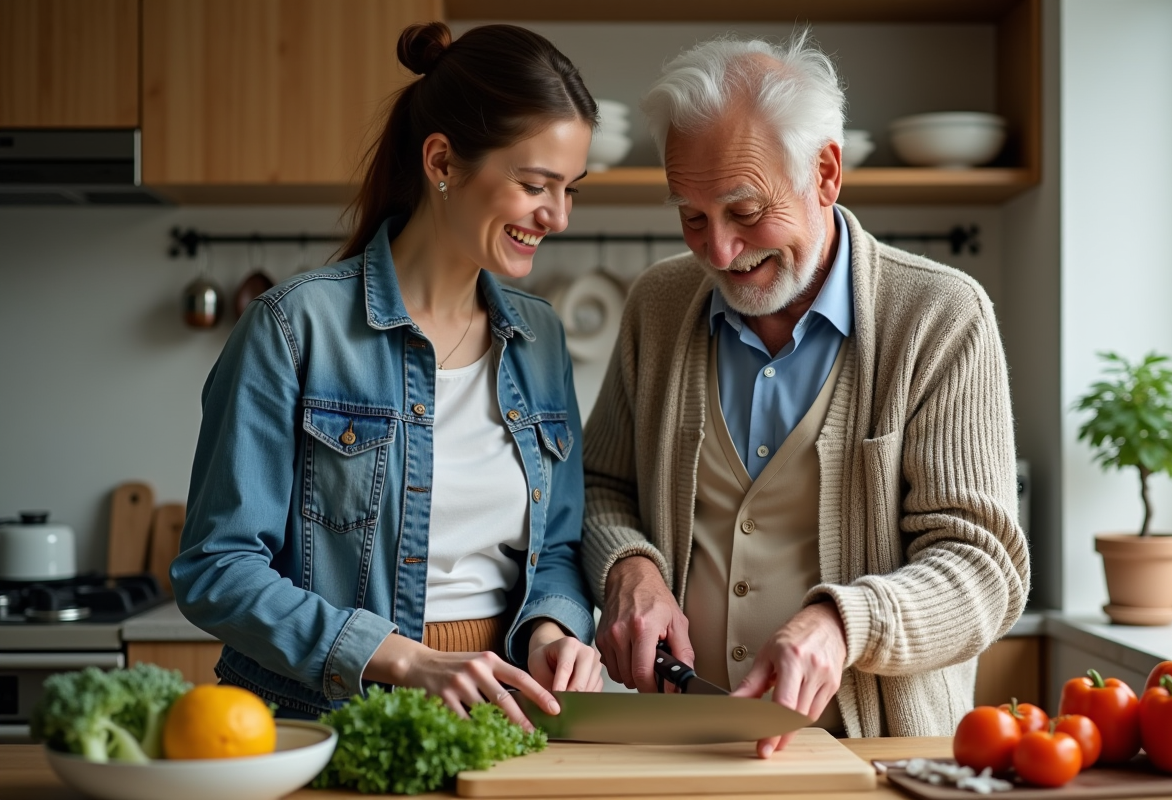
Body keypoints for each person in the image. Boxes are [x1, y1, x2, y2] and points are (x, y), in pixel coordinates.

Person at [582, 32, 1031, 754]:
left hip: (876, 754)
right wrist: (631, 568)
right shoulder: (657, 307)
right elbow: (602, 485)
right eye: (692, 216)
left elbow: (984, 567)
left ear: (825, 172)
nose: (719, 251)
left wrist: (844, 623)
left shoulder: (941, 316)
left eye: (745, 210)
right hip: (677, 744)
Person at [172, 21, 604, 728]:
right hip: (322, 716)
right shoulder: (293, 327)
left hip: (504, 716)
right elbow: (216, 568)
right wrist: (402, 658)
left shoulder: (540, 337)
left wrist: (553, 631)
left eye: (571, 191)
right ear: (443, 161)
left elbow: (555, 547)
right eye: (535, 185)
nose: (556, 216)